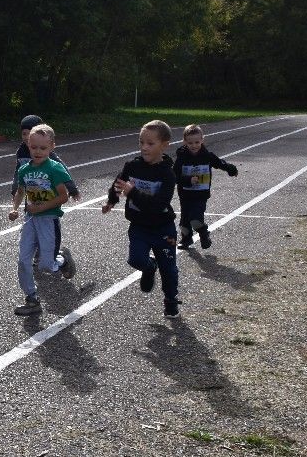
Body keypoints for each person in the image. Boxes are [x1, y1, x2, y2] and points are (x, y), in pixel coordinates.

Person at [101, 120, 181, 318]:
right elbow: (118, 184)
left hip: (163, 228)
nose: (144, 147)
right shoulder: (133, 166)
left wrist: (132, 192)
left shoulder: (167, 174)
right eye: (141, 142)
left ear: (164, 145)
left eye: (150, 143)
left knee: (168, 268)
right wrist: (111, 200)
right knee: (136, 259)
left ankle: (171, 300)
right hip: (139, 226)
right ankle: (148, 266)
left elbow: (157, 205)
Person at [8, 123, 76, 316]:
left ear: (52, 147)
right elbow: (21, 191)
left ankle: (62, 260)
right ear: (28, 145)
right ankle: (31, 299)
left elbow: (63, 196)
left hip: (48, 220)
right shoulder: (24, 170)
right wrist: (14, 209)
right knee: (23, 261)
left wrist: (41, 207)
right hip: (30, 220)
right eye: (33, 147)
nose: (37, 152)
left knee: (47, 265)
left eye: (43, 148)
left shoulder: (55, 169)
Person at [13, 113, 80, 263]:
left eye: (29, 133)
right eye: (24, 134)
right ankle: (37, 251)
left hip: (50, 199)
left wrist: (72, 189)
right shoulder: (21, 152)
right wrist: (15, 189)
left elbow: (63, 171)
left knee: (49, 227)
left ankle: (58, 256)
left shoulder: (50, 157)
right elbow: (18, 173)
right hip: (31, 197)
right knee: (31, 223)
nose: (26, 137)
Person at [173, 124, 237, 249]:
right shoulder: (181, 158)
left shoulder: (207, 156)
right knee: (184, 221)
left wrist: (230, 169)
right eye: (190, 143)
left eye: (197, 142)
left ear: (202, 140)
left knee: (195, 219)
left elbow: (220, 163)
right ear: (184, 142)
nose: (194, 145)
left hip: (201, 195)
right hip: (185, 194)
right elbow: (174, 176)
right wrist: (188, 180)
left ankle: (203, 233)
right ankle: (186, 239)